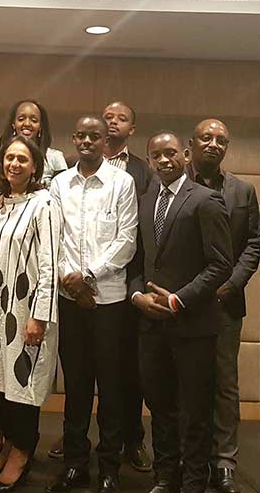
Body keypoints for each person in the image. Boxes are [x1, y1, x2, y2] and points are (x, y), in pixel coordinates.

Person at [129, 130, 232, 493]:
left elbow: (221, 265)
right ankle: (164, 475)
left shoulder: (206, 199)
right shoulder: (144, 201)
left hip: (192, 323)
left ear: (186, 155)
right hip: (151, 324)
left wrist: (177, 299)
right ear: (150, 160)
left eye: (171, 153)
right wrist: (137, 296)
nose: (164, 160)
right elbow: (137, 262)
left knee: (195, 410)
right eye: (156, 156)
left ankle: (193, 481)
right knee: (159, 406)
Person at [46, 116, 137, 493]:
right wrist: (72, 277)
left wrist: (89, 276)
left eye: (94, 136)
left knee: (111, 386)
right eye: (80, 135)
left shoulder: (123, 182)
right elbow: (53, 237)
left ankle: (110, 467)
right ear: (73, 138)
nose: (87, 140)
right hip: (69, 299)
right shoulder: (58, 183)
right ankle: (74, 463)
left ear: (105, 141)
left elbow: (127, 240)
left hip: (109, 301)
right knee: (77, 384)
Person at [186, 119, 260, 493]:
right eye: (206, 138)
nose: (214, 144)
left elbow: (254, 243)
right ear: (192, 144)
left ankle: (224, 461)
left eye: (221, 140)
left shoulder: (243, 191)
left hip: (224, 301)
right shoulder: (172, 185)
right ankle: (190, 458)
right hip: (181, 304)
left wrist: (232, 283)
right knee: (184, 385)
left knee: (225, 386)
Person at [0, 135, 61, 493]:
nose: (14, 164)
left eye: (22, 160)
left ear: (34, 168)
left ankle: (23, 452)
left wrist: (39, 316)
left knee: (23, 386)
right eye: (9, 158)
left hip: (26, 310)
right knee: (0, 384)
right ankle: (12, 443)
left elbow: (48, 264)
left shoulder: (43, 203)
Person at [101, 101, 153, 473]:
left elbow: (146, 229)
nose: (112, 122)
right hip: (88, 284)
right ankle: (91, 436)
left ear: (132, 129)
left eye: (121, 117)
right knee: (90, 367)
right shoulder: (78, 165)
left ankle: (133, 440)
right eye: (108, 117)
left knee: (129, 368)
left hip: (130, 280)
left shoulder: (143, 171)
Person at [0, 99, 68, 188]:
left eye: (34, 120)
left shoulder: (55, 157)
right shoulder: (4, 157)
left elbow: (61, 193)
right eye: (21, 119)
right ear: (13, 124)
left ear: (40, 126)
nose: (27, 123)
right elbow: (1, 192)